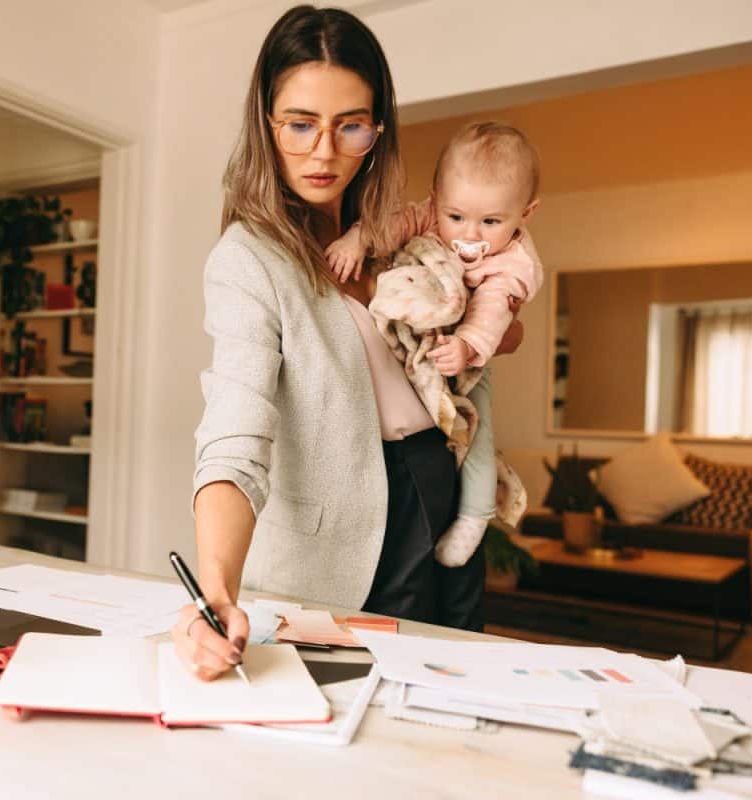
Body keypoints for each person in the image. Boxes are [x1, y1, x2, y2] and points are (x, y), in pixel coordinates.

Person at [171, 5, 523, 681]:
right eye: (300, 124)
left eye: (351, 126)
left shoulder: (398, 235)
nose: (324, 153)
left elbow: (493, 310)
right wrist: (216, 589)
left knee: (455, 700)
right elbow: (235, 431)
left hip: (441, 487)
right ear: (266, 124)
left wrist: (488, 332)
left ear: (378, 129)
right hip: (354, 528)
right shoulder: (250, 260)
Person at [325, 121, 544, 568]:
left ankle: (477, 511)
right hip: (416, 372)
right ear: (437, 199)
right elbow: (396, 223)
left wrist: (466, 345)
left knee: (479, 435)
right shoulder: (429, 215)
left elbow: (494, 312)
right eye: (456, 216)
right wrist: (358, 238)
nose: (469, 235)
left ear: (525, 214)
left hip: (469, 357)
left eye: (491, 221)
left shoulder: (514, 263)